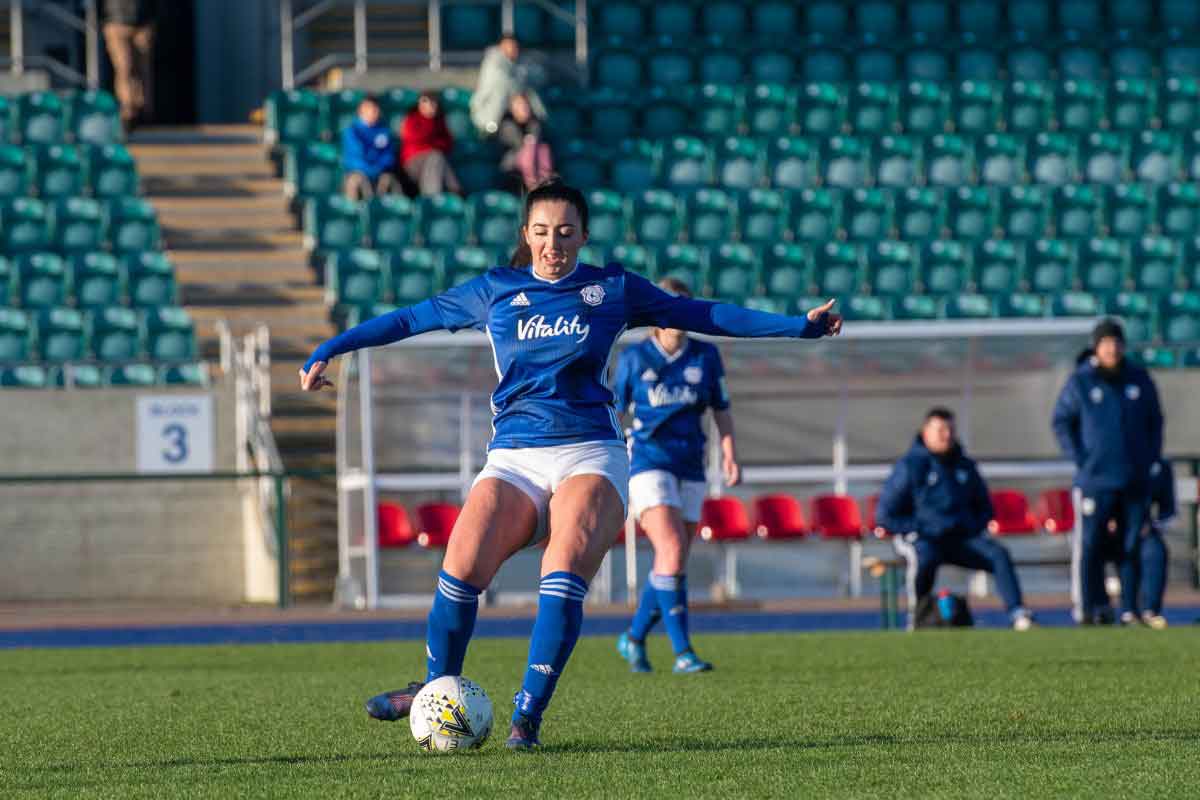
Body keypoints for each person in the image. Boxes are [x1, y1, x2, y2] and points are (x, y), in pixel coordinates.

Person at [299, 178, 842, 749]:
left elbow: (704, 313)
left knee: (558, 572)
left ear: (583, 235)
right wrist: (328, 348)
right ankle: (435, 688)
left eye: (564, 232)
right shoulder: (496, 291)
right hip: (513, 456)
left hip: (590, 453)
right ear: (525, 236)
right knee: (460, 565)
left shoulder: (613, 288)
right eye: (541, 232)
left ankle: (525, 720)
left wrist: (798, 326)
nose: (552, 243)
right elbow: (409, 319)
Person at [612, 277, 737, 675]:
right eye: (672, 303)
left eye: (685, 303)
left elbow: (720, 408)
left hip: (691, 464)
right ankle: (683, 652)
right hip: (647, 461)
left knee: (674, 557)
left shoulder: (705, 355)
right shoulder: (635, 359)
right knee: (669, 549)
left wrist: (730, 452)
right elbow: (613, 413)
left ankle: (633, 638)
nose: (679, 311)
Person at [877, 407, 1035, 631]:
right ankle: (917, 616)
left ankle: (1018, 613)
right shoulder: (910, 466)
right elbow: (886, 516)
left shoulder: (965, 466)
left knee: (998, 554)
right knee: (925, 558)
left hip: (959, 538)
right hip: (923, 538)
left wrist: (969, 526)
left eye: (950, 429)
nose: (946, 435)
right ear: (925, 432)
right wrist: (922, 527)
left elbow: (985, 508)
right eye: (940, 429)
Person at [1052, 319, 1164, 626]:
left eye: (1116, 342)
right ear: (1096, 347)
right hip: (1095, 480)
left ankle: (1130, 609)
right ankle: (1091, 608)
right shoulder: (1082, 382)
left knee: (1131, 545)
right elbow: (1061, 420)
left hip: (1133, 479)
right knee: (1091, 545)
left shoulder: (1139, 379)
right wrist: (1082, 458)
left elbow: (1155, 422)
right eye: (1105, 343)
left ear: (1123, 346)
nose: (1111, 348)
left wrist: (1149, 459)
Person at [470, 34, 548, 136]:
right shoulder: (493, 64)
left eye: (514, 47)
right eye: (508, 46)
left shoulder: (522, 64)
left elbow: (540, 78)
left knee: (535, 128)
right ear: (500, 47)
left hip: (519, 112)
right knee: (510, 132)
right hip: (494, 116)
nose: (511, 50)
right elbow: (505, 85)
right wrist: (517, 101)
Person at [103, 0, 159, 128]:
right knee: (125, 68)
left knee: (143, 70)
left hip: (143, 22)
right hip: (116, 21)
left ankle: (143, 110)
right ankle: (127, 111)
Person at [400, 91, 463, 197]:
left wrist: (432, 143)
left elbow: (448, 143)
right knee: (436, 156)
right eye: (426, 103)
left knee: (437, 158)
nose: (430, 106)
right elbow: (415, 141)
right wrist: (435, 142)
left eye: (433, 103)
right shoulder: (412, 119)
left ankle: (447, 194)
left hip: (433, 163)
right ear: (420, 105)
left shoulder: (439, 121)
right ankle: (439, 196)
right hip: (412, 166)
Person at [341, 96, 399, 201]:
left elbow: (389, 155)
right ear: (361, 111)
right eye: (369, 108)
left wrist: (378, 168)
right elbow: (355, 156)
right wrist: (370, 170)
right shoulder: (352, 131)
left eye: (376, 108)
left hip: (379, 172)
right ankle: (356, 215)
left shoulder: (384, 131)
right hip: (359, 172)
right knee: (356, 181)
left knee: (389, 180)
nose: (373, 111)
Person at [498, 92, 555, 192]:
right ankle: (534, 186)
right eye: (519, 106)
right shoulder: (507, 124)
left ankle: (544, 182)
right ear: (512, 109)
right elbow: (518, 144)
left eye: (525, 105)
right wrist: (529, 142)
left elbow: (537, 139)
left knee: (543, 148)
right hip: (511, 164)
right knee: (529, 149)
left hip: (535, 159)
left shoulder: (534, 123)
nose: (523, 108)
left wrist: (531, 141)